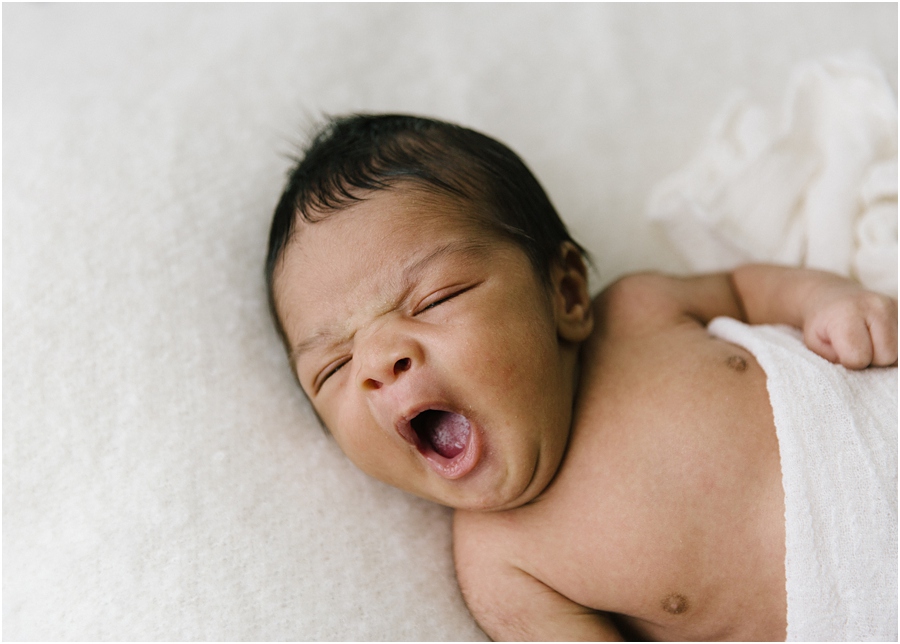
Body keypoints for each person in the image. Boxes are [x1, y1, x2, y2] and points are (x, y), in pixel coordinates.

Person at [265, 113, 897, 641]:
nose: (378, 361)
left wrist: (826, 299)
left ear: (565, 292)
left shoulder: (639, 313)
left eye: (433, 298)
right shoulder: (503, 564)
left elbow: (746, 287)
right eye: (335, 367)